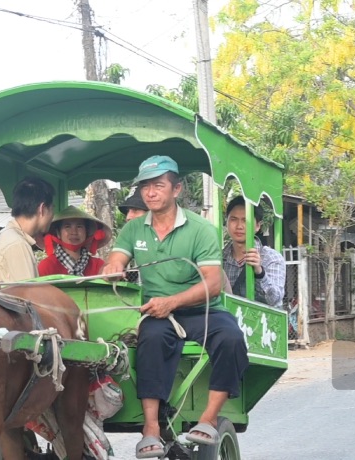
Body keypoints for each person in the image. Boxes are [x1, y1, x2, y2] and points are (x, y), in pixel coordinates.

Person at [101, 155, 248, 458]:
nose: (150, 193)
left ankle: (208, 418)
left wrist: (172, 302)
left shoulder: (200, 229)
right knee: (151, 339)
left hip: (202, 310)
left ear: (176, 189)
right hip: (157, 312)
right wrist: (113, 267)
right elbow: (117, 258)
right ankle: (151, 428)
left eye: (158, 186)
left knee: (231, 339)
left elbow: (213, 284)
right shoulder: (133, 229)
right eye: (145, 187)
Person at [0, 177, 55, 283]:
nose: (53, 215)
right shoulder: (17, 244)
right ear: (42, 209)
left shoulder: (8, 236)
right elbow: (29, 296)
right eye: (52, 209)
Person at [222, 195, 286, 307]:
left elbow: (275, 300)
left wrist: (260, 272)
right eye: (233, 219)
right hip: (228, 322)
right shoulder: (220, 258)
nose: (239, 226)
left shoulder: (271, 257)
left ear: (257, 226)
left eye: (245, 220)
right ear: (226, 223)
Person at [38, 206, 111, 277]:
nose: (74, 232)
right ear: (58, 233)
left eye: (79, 226)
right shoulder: (46, 266)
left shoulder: (98, 266)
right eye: (67, 227)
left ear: (87, 232)